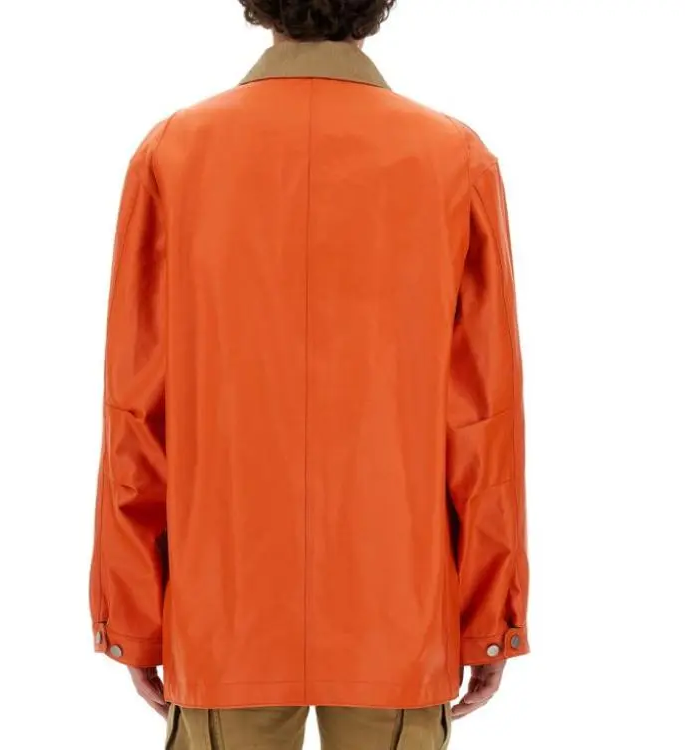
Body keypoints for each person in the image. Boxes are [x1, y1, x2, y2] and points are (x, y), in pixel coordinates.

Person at [88, 1, 530, 747]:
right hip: (398, 613)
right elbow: (484, 417)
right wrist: (491, 616)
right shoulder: (453, 159)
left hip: (224, 613)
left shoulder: (174, 154)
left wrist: (131, 615)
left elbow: (136, 406)